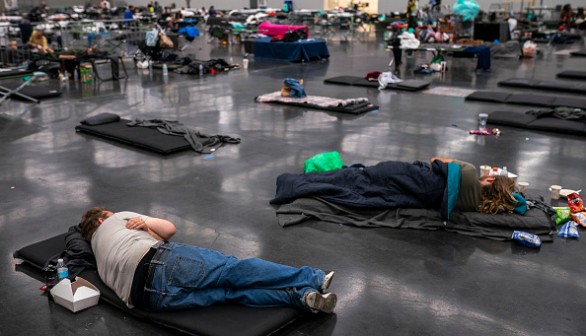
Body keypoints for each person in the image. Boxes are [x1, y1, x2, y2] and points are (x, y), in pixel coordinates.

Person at [79, 207, 337, 313]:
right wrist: (145, 222)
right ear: (101, 218)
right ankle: (312, 278)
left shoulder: (97, 248)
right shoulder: (117, 218)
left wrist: (146, 231)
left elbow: (157, 238)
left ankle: (301, 298)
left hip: (149, 300)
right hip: (157, 263)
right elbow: (167, 232)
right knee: (234, 271)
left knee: (230, 294)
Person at [271, 158, 526, 219]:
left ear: (491, 181)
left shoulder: (469, 172)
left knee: (347, 176)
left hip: (400, 175)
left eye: (491, 173)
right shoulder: (471, 205)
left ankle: (289, 182)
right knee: (347, 182)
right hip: (408, 192)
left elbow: (435, 161)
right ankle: (297, 182)